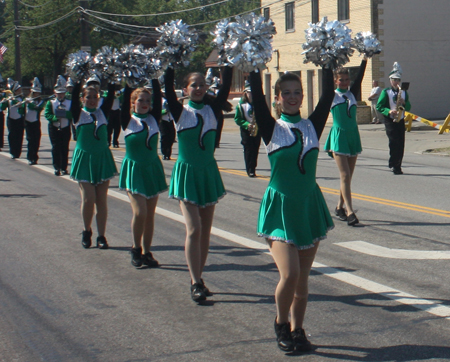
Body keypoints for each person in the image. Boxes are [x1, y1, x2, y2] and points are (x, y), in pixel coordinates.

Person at [249, 66, 334, 353]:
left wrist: (329, 61)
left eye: (297, 92)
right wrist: (251, 64)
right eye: (286, 93)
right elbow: (257, 100)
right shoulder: (272, 127)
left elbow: (328, 96)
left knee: (303, 279)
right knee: (290, 274)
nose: (293, 97)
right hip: (281, 208)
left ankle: (299, 330)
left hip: (308, 206)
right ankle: (281, 323)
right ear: (277, 98)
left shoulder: (312, 125)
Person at [164, 65, 232, 303]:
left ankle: (200, 277)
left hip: (208, 172)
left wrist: (228, 60)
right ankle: (194, 281)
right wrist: (172, 61)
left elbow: (225, 86)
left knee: (205, 232)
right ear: (186, 89)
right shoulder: (180, 111)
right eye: (194, 84)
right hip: (187, 173)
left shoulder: (213, 109)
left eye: (203, 84)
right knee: (194, 229)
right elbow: (167, 90)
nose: (199, 88)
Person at [119, 80, 167, 268]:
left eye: (147, 100)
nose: (144, 103)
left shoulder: (154, 118)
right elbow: (124, 99)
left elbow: (158, 93)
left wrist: (155, 77)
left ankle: (147, 251)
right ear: (133, 103)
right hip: (134, 169)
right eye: (140, 100)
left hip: (152, 168)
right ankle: (135, 248)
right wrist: (130, 77)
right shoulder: (128, 119)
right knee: (140, 212)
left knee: (150, 215)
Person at [70, 78, 117, 249]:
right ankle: (86, 230)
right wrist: (77, 78)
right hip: (84, 159)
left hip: (102, 159)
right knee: (89, 199)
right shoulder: (78, 113)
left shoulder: (102, 112)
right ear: (83, 99)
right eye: (88, 97)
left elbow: (111, 94)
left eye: (94, 97)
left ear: (99, 98)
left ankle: (102, 236)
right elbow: (74, 95)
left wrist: (112, 74)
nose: (91, 100)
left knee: (101, 200)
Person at [324, 57, 367, 226]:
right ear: (336, 80)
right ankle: (350, 211)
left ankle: (339, 207)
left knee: (348, 177)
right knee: (345, 175)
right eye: (341, 80)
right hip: (339, 136)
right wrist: (327, 59)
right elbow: (327, 78)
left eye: (347, 79)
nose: (345, 82)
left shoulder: (352, 93)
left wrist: (365, 58)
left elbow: (361, 76)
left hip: (352, 136)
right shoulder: (331, 95)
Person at [376, 62, 411, 175]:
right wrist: (389, 111)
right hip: (390, 119)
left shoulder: (404, 92)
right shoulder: (386, 92)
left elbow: (409, 107)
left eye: (398, 80)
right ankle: (393, 163)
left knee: (401, 143)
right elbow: (379, 106)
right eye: (394, 80)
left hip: (400, 119)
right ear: (390, 80)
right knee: (393, 142)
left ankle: (398, 165)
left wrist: (404, 103)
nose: (396, 82)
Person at [44, 76, 73, 176]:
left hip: (65, 127)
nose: (60, 95)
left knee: (64, 147)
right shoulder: (51, 102)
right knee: (56, 147)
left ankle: (64, 167)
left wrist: (65, 114)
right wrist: (55, 118)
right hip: (54, 127)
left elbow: (73, 114)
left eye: (62, 93)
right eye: (58, 93)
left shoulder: (69, 102)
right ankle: (56, 167)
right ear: (55, 93)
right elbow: (47, 114)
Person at [234, 81, 261, 177]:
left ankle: (253, 167)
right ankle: (250, 169)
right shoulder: (241, 104)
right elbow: (237, 119)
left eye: (252, 92)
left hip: (256, 129)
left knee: (255, 149)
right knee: (248, 149)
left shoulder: (258, 103)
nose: (251, 94)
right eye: (249, 92)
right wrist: (246, 124)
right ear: (246, 93)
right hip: (246, 130)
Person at [1, 79, 24, 159]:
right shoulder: (9, 99)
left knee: (19, 136)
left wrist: (18, 103)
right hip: (11, 119)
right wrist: (3, 102)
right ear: (15, 91)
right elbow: (2, 108)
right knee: (12, 136)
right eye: (18, 90)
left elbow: (22, 109)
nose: (20, 91)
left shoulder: (21, 99)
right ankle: (13, 152)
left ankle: (18, 152)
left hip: (20, 119)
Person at [24, 77, 44, 165]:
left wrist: (31, 104)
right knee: (30, 140)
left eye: (38, 93)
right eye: (35, 93)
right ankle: (30, 157)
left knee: (36, 140)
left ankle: (35, 157)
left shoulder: (41, 101)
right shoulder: (27, 100)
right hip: (28, 122)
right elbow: (22, 111)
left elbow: (38, 109)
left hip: (35, 122)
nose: (36, 94)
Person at [159, 94, 176, 160]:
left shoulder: (171, 100)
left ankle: (168, 154)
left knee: (171, 137)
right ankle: (164, 153)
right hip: (163, 120)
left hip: (170, 120)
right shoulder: (160, 100)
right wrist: (164, 111)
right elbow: (156, 111)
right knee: (164, 136)